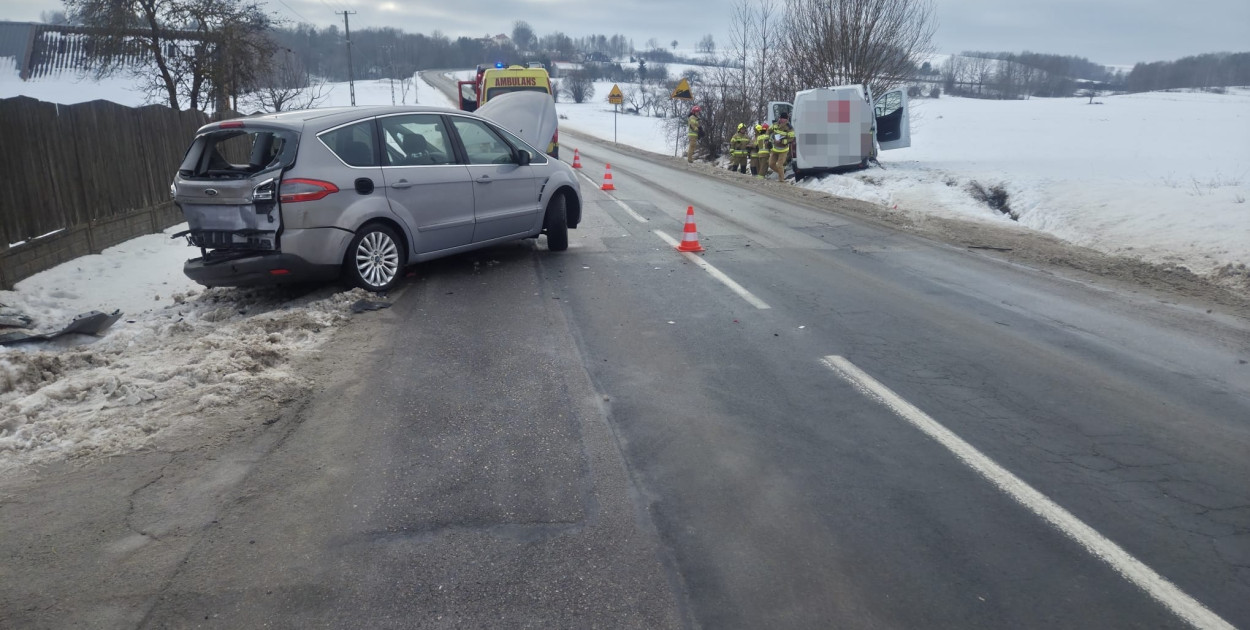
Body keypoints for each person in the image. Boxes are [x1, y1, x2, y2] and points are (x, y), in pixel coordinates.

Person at [770, 113, 795, 181]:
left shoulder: (789, 127)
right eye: (781, 119)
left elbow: (792, 138)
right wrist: (768, 138)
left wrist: (782, 141)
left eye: (784, 119)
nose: (782, 120)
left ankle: (781, 180)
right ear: (780, 118)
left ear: (787, 119)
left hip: (783, 150)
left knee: (779, 165)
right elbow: (769, 131)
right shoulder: (775, 124)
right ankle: (781, 173)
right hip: (775, 148)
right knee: (771, 164)